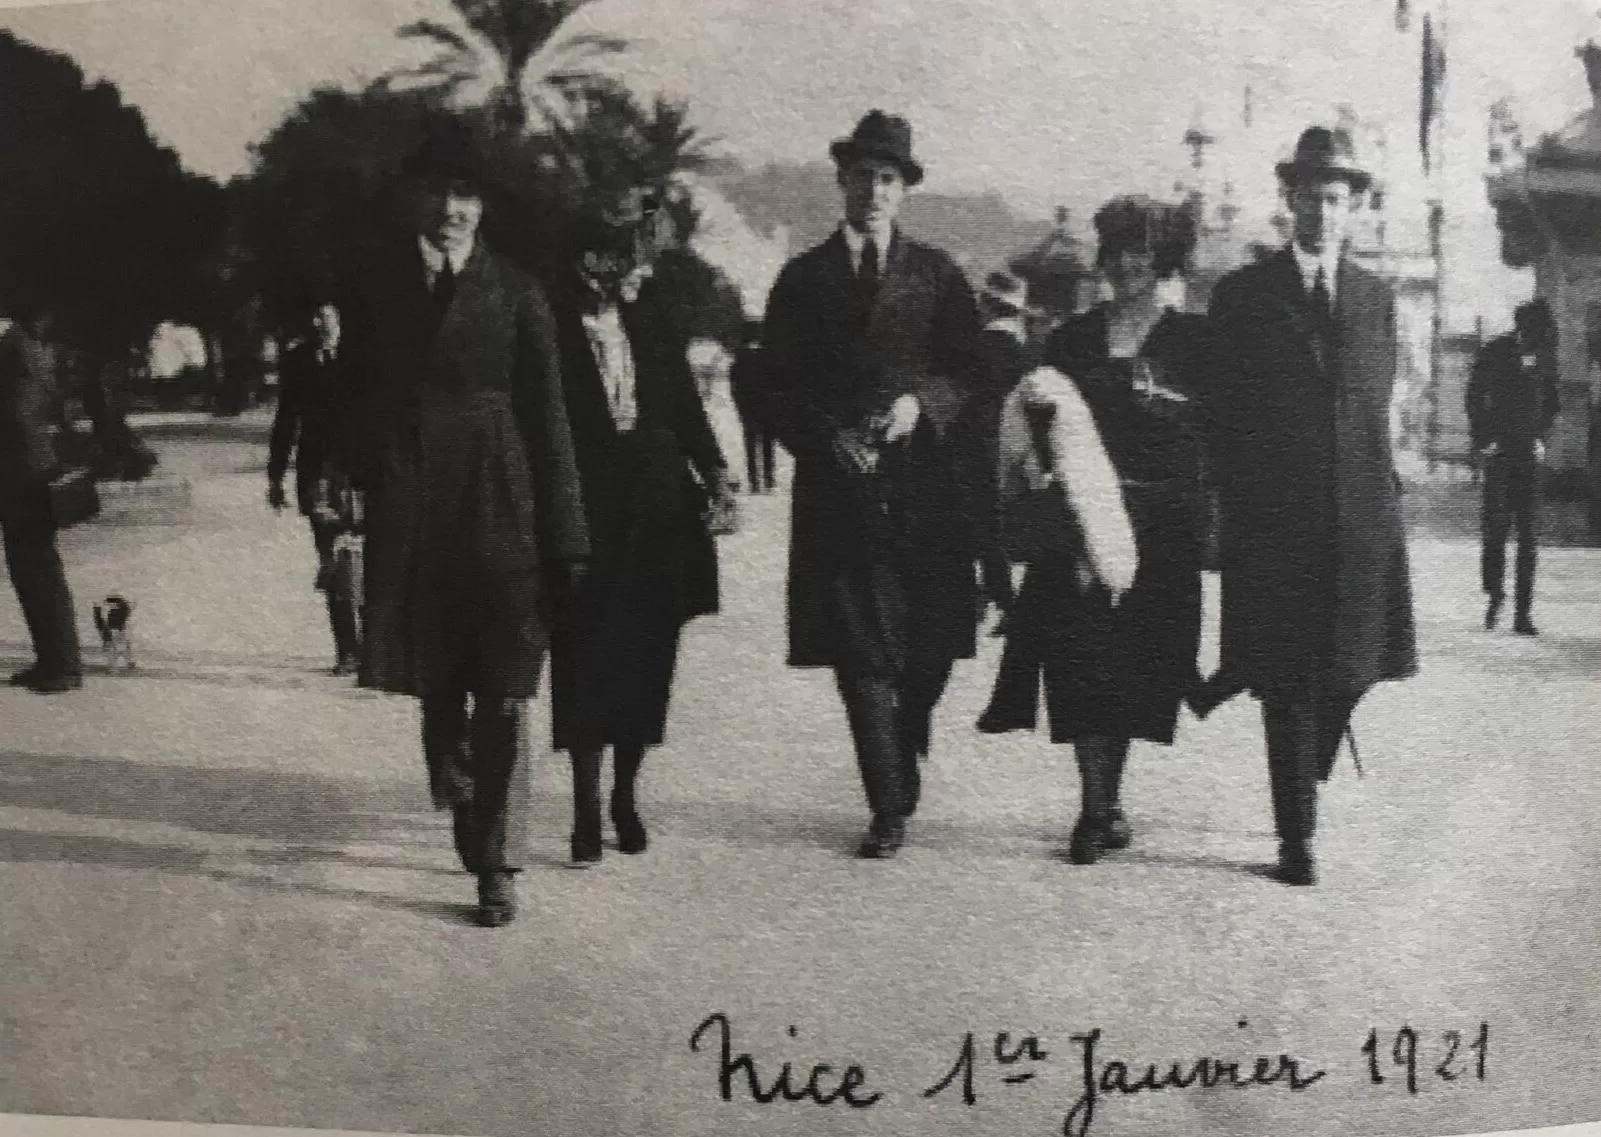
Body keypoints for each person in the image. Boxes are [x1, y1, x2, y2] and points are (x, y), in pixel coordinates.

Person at [337, 125, 590, 927]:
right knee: (439, 679)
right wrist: (339, 480)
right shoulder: (377, 290)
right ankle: (464, 800)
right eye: (440, 193)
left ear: (484, 208)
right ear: (416, 199)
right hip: (413, 501)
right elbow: (351, 397)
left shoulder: (518, 292)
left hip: (501, 494)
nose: (452, 210)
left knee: (509, 681)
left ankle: (497, 861)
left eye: (467, 196)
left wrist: (568, 530)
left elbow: (550, 419)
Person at [763, 110, 982, 859]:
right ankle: (885, 805)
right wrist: (826, 438)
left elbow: (970, 369)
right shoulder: (801, 279)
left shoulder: (937, 274)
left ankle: (905, 731)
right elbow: (769, 385)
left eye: (888, 179)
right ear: (841, 182)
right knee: (859, 658)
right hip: (837, 492)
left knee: (928, 651)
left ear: (905, 190)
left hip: (924, 493)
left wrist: (920, 404)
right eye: (862, 177)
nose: (874, 191)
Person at [1204, 126, 1418, 887]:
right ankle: (1295, 836)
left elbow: (1374, 408)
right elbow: (1220, 416)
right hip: (1276, 529)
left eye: (1334, 200)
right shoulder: (1242, 298)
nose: (1321, 213)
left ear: (1352, 206)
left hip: (1361, 523)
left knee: (1352, 669)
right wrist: (1233, 512)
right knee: (1286, 680)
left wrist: (1382, 501)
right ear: (1286, 201)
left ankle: (1306, 766)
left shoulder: (1376, 300)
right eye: (1308, 198)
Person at [979, 198, 1210, 864]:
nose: (1123, 264)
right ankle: (1093, 807)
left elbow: (1204, 435)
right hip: (1078, 523)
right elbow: (1041, 428)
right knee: (1080, 663)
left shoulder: (1191, 341)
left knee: (1135, 671)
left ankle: (1110, 796)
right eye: (1111, 251)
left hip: (1156, 528)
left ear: (1161, 258)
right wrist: (1068, 513)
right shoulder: (1071, 340)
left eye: (1138, 251)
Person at [547, 200, 734, 866]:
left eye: (626, 254)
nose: (625, 267)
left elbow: (683, 403)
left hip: (658, 512)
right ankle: (584, 808)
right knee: (582, 658)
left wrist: (715, 472)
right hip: (585, 512)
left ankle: (625, 793)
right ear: (582, 263)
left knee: (646, 659)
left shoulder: (649, 321)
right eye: (610, 255)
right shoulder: (548, 325)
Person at [267, 301, 360, 673]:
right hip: (318, 476)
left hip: (362, 473)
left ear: (341, 315)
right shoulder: (299, 360)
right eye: (314, 314)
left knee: (369, 561)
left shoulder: (362, 355)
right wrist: (275, 476)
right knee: (332, 564)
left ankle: (378, 649)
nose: (317, 321)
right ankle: (348, 651)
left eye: (324, 313)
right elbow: (286, 419)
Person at [0, 311, 83, 694]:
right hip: (29, 471)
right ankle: (53, 660)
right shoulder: (27, 348)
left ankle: (62, 665)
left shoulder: (14, 350)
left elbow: (19, 418)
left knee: (36, 568)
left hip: (23, 476)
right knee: (32, 569)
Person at [1466, 298, 1560, 635]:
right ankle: (1495, 595)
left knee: (1529, 536)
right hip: (1499, 452)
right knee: (1495, 530)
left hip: (1529, 455)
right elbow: (1474, 395)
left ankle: (1523, 613)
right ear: (1522, 326)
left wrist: (1541, 437)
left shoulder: (1546, 357)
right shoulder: (1495, 351)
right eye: (1536, 331)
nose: (1541, 338)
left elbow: (1552, 402)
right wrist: (1484, 438)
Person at [959, 271, 1036, 627]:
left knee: (976, 522)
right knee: (992, 522)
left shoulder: (981, 347)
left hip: (979, 441)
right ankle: (996, 596)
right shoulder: (1022, 348)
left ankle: (1001, 600)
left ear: (987, 305)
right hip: (1010, 440)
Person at [729, 321, 779, 494]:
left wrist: (739, 403)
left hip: (748, 405)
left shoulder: (740, 356)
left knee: (751, 442)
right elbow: (776, 382)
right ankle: (769, 479)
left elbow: (734, 383)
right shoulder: (768, 355)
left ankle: (754, 482)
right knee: (767, 443)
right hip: (766, 404)